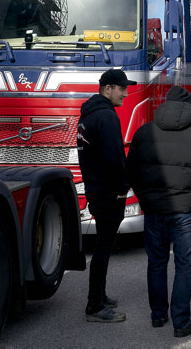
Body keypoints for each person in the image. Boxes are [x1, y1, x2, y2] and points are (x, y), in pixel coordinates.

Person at [126, 85, 191, 339]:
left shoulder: (145, 132)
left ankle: (158, 315)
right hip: (187, 209)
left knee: (156, 263)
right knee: (185, 265)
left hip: (155, 208)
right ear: (189, 107)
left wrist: (145, 198)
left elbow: (132, 169)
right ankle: (181, 321)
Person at [77, 67, 135, 323]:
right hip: (108, 194)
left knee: (104, 245)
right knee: (103, 248)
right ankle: (95, 306)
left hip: (96, 190)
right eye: (121, 89)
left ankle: (99, 295)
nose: (124, 93)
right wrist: (123, 188)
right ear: (108, 89)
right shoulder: (107, 117)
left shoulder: (89, 115)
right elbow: (115, 158)